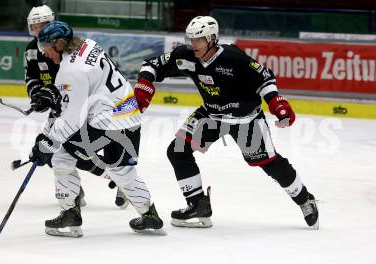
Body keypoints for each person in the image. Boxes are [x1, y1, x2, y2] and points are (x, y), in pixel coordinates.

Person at [134, 16, 319, 229]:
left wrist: (276, 102)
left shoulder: (234, 57)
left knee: (268, 163)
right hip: (211, 115)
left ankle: (305, 199)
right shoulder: (185, 56)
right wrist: (144, 86)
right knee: (177, 151)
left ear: (212, 39)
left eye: (199, 40)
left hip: (246, 119)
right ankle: (197, 205)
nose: (193, 44)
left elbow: (264, 78)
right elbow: (151, 65)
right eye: (191, 39)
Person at [29, 21, 165, 237]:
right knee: (122, 170)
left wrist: (47, 141)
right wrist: (57, 93)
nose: (45, 54)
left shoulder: (69, 71)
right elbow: (85, 86)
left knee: (61, 153)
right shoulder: (89, 45)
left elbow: (72, 120)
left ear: (60, 44)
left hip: (106, 124)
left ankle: (69, 213)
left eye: (46, 48)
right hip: (130, 117)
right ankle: (149, 215)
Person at [25, 4, 128, 209]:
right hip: (61, 106)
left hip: (80, 105)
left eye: (43, 25)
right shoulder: (32, 50)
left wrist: (53, 93)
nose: (38, 31)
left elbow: (75, 81)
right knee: (53, 149)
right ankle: (77, 191)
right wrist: (38, 96)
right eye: (34, 27)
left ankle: (119, 179)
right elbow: (31, 78)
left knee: (64, 148)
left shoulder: (65, 45)